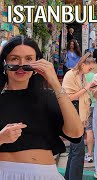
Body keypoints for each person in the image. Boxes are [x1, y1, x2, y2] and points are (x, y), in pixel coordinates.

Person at [0, 35, 83, 179]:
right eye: (14, 59)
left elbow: (76, 133)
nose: (21, 65)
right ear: (4, 62)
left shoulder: (48, 97)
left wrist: (55, 83)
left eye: (28, 59)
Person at [62, 52, 96, 180]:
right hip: (72, 115)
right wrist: (86, 89)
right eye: (89, 68)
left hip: (79, 116)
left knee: (74, 152)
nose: (90, 70)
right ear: (83, 64)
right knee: (79, 152)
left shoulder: (81, 76)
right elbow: (68, 97)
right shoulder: (71, 75)